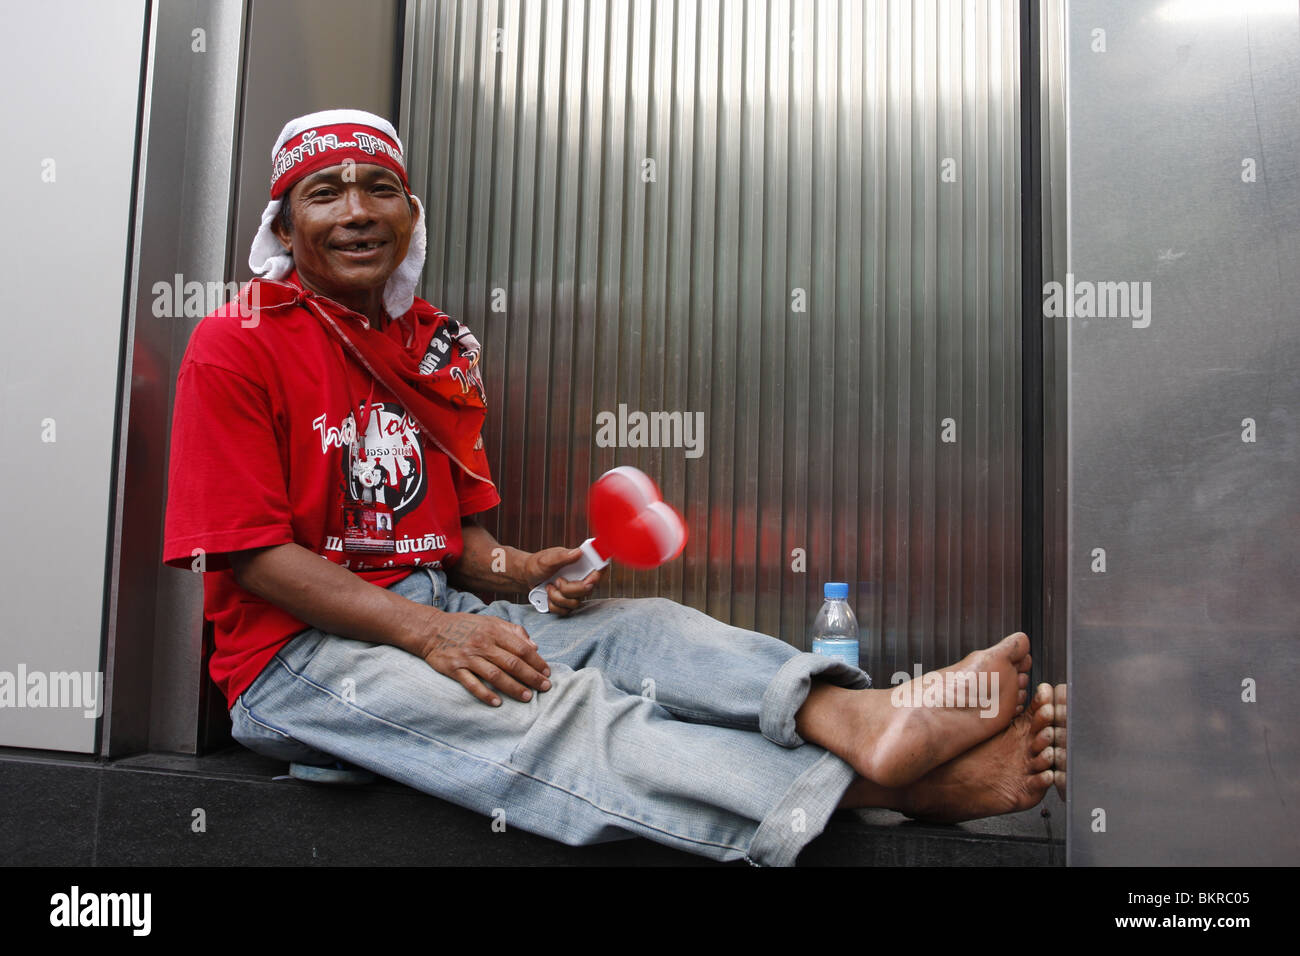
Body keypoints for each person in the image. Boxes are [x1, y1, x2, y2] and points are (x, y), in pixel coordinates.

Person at [163, 109, 1060, 866]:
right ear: (284, 229)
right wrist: (433, 633)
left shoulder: (436, 347)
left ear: (411, 214)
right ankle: (904, 785)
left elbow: (458, 546)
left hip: (431, 612)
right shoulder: (238, 340)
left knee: (650, 632)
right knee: (561, 711)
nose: (357, 212)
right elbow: (247, 556)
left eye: (379, 189)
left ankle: (859, 715)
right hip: (297, 663)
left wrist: (524, 573)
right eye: (326, 193)